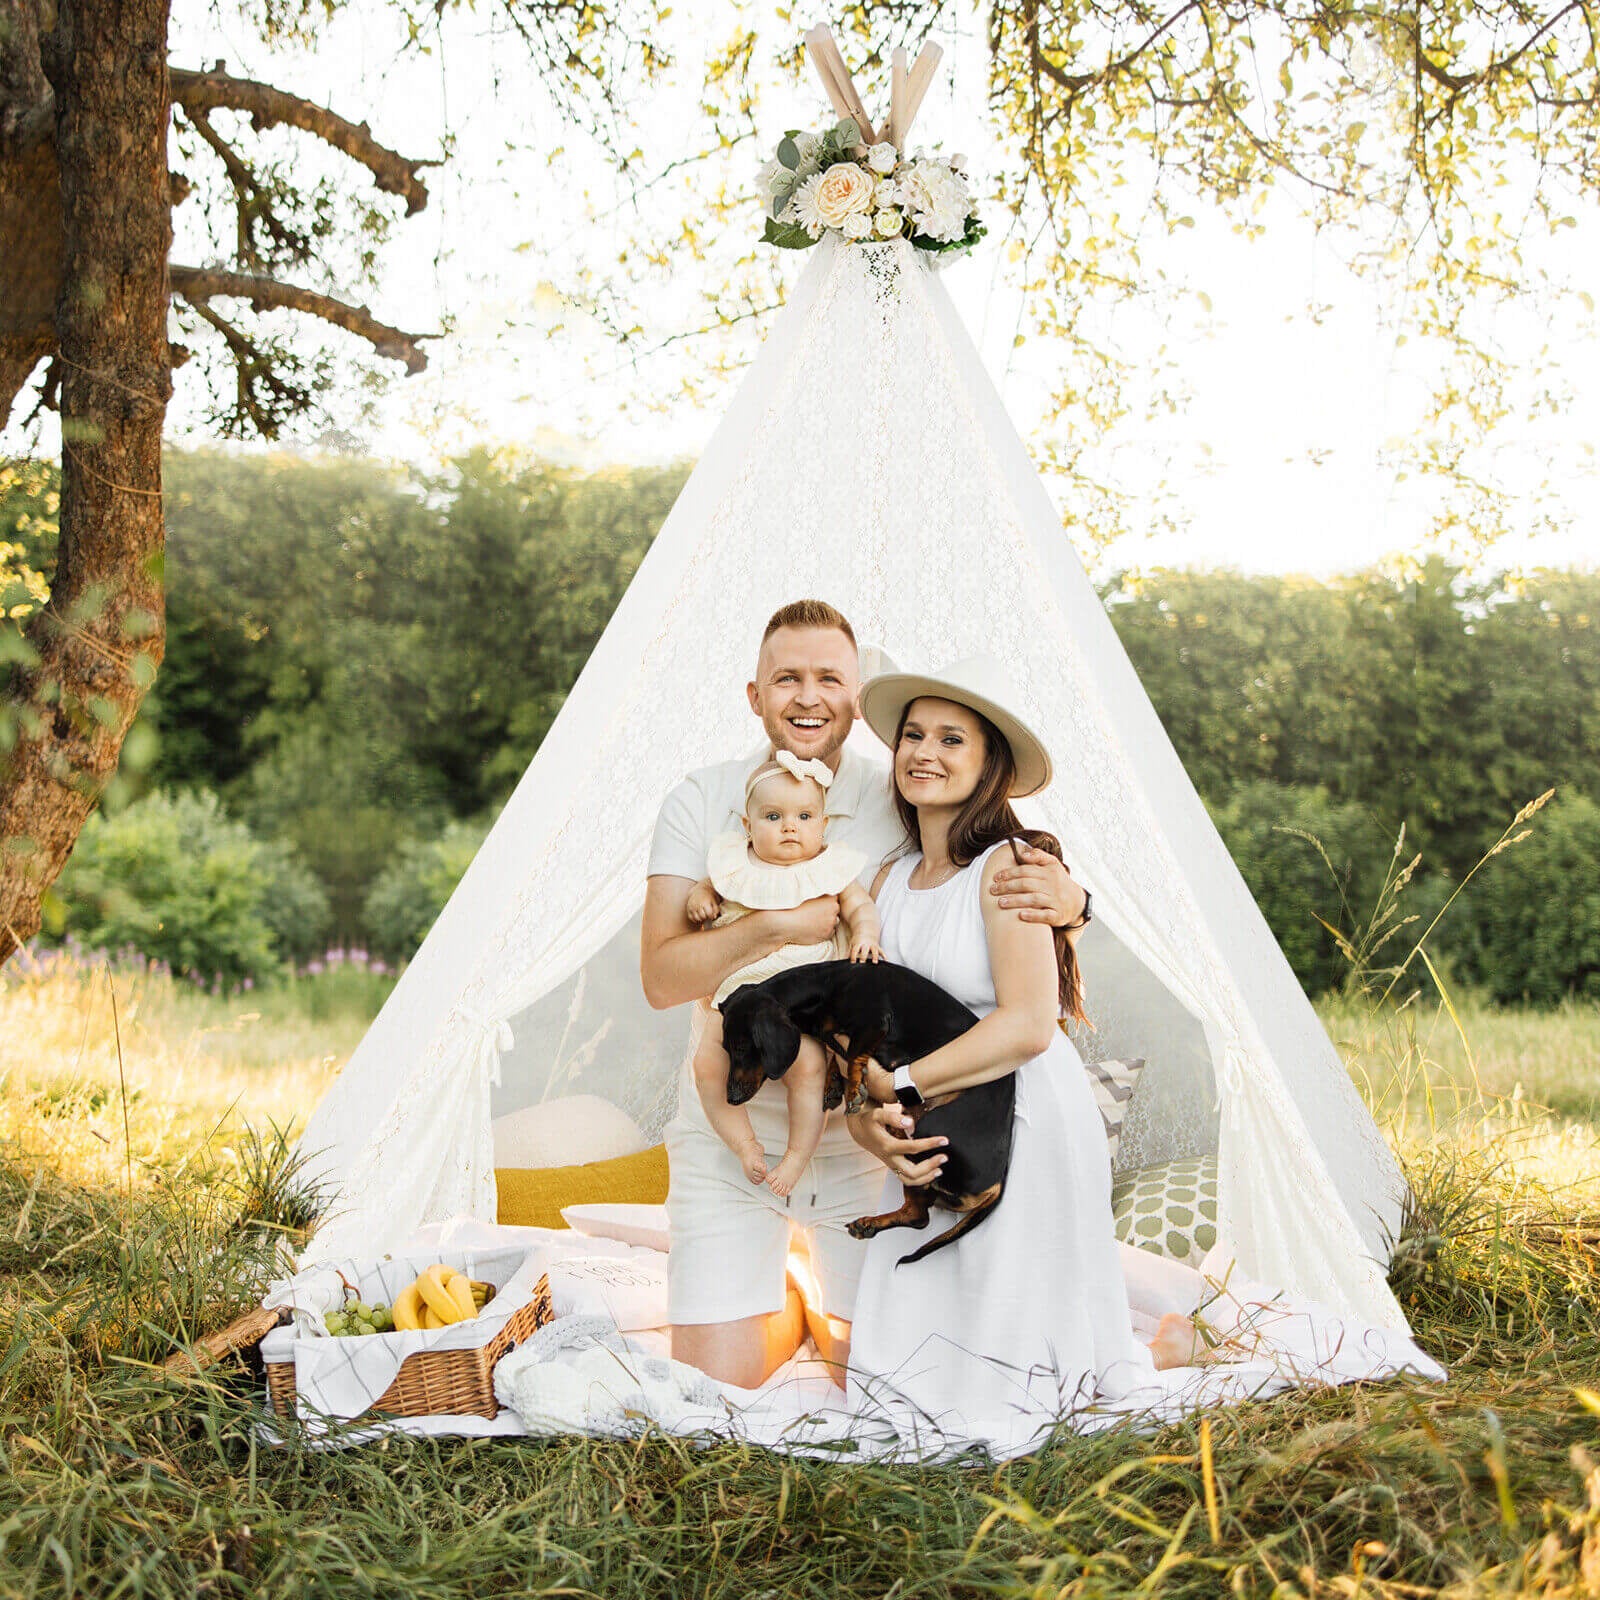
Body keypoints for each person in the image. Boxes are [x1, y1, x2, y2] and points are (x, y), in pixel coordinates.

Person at [641, 600, 1090, 1389]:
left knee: (894, 1386)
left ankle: (819, 1309)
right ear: (755, 695)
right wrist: (775, 925)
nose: (807, 698)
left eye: (829, 680)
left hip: (867, 1140)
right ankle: (782, 1309)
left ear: (857, 697)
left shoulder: (904, 796)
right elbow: (660, 979)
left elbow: (988, 882)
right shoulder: (699, 801)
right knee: (714, 1394)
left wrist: (1077, 905)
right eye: (787, 679)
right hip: (733, 1137)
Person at [843, 656, 1195, 1454]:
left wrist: (898, 1089)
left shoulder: (1008, 867)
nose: (923, 753)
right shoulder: (885, 879)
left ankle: (1139, 1356)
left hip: (1020, 1110)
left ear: (988, 765)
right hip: (929, 1112)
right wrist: (872, 1118)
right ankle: (1143, 1349)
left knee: (1014, 1367)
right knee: (907, 1374)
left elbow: (1031, 1024)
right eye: (912, 735)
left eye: (951, 739)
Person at [687, 751, 882, 1197]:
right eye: (773, 816)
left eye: (804, 816)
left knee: (809, 1067)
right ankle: (744, 1144)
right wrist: (700, 896)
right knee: (707, 1063)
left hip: (803, 997)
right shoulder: (735, 865)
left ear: (823, 825)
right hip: (738, 989)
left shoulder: (829, 868)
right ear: (748, 826)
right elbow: (708, 887)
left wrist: (865, 934)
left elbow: (859, 907)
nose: (790, 826)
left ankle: (796, 1157)